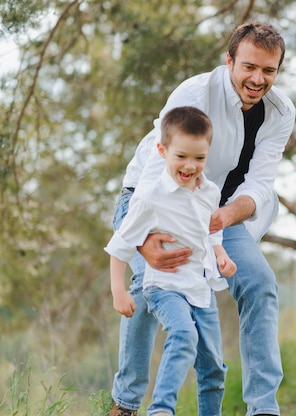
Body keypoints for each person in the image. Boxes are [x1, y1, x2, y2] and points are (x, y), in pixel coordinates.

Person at [108, 21, 295, 416]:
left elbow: (260, 186)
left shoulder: (280, 113)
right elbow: (156, 168)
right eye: (249, 67)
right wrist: (143, 241)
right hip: (151, 200)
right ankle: (125, 405)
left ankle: (264, 409)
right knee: (147, 283)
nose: (258, 79)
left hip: (216, 214)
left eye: (269, 70)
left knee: (260, 283)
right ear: (229, 61)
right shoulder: (196, 93)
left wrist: (223, 218)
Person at [106, 106, 237, 416]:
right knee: (183, 334)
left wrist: (220, 254)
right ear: (162, 151)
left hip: (200, 289)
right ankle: (161, 409)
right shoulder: (151, 196)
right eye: (181, 157)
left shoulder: (209, 192)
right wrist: (118, 291)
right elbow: (120, 245)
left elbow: (209, 232)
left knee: (214, 368)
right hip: (163, 286)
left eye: (199, 158)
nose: (190, 166)